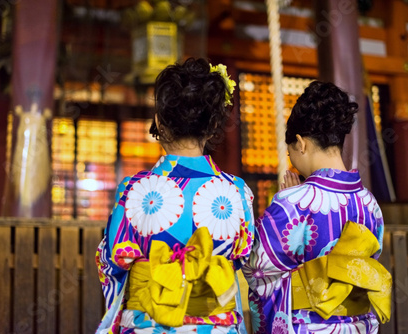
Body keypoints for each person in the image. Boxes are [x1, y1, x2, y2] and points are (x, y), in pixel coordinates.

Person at [96, 58, 255, 334]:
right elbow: (244, 262)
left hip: (149, 324)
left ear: (159, 122)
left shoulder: (133, 189)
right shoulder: (237, 192)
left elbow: (112, 261)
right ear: (213, 125)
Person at [243, 81, 391, 333]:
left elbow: (255, 268)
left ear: (300, 143)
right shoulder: (370, 203)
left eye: (290, 153)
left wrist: (281, 207)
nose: (292, 161)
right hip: (359, 325)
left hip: (309, 326)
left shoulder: (293, 202)